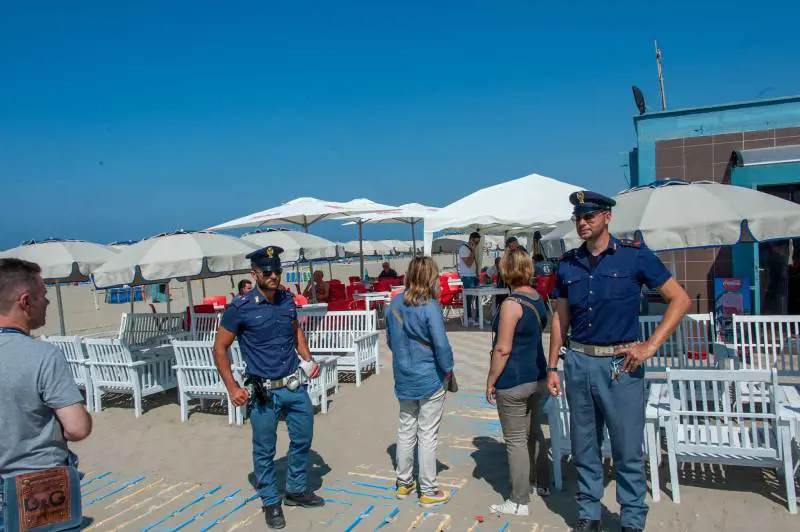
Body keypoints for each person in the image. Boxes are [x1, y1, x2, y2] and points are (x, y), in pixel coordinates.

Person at [546, 191, 691, 532]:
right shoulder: (567, 264)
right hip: (579, 362)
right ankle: (589, 514)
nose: (582, 223)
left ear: (607, 217)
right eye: (578, 217)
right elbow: (560, 317)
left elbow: (680, 299)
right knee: (584, 446)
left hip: (620, 366)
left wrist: (650, 346)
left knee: (627, 448)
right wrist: (552, 366)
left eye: (589, 216)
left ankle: (631, 519)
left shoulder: (633, 257)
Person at [213, 246, 325, 529]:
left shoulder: (287, 300)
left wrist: (308, 359)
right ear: (255, 274)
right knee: (264, 449)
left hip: (294, 386)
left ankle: (296, 490)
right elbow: (220, 348)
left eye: (277, 270)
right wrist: (232, 387)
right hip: (264, 392)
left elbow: (296, 331)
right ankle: (271, 500)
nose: (273, 275)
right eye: (267, 271)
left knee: (303, 439)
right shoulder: (240, 308)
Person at [0, 259, 92, 531]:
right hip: (39, 485)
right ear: (25, 301)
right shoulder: (42, 356)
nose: (48, 302)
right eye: (43, 294)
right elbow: (77, 428)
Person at [485, 249, 550, 516]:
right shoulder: (537, 298)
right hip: (537, 375)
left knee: (515, 440)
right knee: (534, 433)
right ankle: (540, 481)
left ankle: (519, 499)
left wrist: (491, 380)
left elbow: (503, 349)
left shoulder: (512, 305)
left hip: (513, 379)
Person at [386, 256, 454, 507]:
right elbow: (441, 345)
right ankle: (428, 489)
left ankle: (403, 482)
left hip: (404, 375)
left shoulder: (394, 303)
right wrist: (448, 369)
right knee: (427, 433)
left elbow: (391, 341)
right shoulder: (430, 306)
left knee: (406, 428)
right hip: (428, 376)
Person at [458, 232, 481, 326]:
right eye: (476, 242)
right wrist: (473, 250)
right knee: (469, 298)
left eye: (478, 242)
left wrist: (477, 273)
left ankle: (479, 317)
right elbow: (468, 264)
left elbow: (474, 263)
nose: (477, 244)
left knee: (478, 297)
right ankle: (469, 318)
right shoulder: (463, 248)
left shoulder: (471, 249)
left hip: (474, 276)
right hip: (467, 276)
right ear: (471, 239)